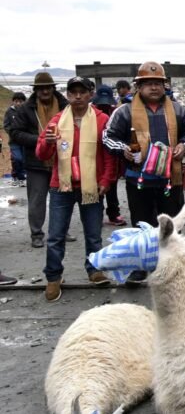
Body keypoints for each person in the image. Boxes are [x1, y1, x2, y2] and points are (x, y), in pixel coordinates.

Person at [102, 61, 185, 285]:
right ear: (138, 86)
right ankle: (140, 268)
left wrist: (183, 145)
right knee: (140, 224)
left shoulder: (178, 109)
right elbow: (107, 137)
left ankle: (172, 266)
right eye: (148, 83)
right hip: (138, 179)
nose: (154, 87)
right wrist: (123, 149)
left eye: (158, 83)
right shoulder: (124, 111)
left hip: (171, 178)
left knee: (171, 225)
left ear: (165, 86)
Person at [35, 77, 117, 302]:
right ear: (67, 95)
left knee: (93, 234)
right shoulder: (57, 120)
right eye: (73, 92)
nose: (78, 96)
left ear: (91, 94)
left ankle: (94, 270)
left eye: (82, 92)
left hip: (91, 186)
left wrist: (106, 180)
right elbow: (41, 154)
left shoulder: (102, 121)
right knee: (55, 235)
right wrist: (48, 142)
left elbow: (109, 155)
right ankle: (53, 277)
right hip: (61, 186)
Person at [8, 72, 68, 248]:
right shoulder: (25, 109)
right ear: (36, 90)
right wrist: (41, 140)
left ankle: (61, 231)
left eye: (48, 87)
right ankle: (36, 234)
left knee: (62, 200)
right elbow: (15, 133)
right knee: (36, 201)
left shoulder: (66, 106)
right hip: (36, 162)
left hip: (61, 160)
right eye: (41, 88)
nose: (45, 91)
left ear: (53, 88)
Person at [91, 85, 127, 226]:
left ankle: (113, 213)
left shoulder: (115, 112)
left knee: (111, 185)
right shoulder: (89, 113)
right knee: (94, 185)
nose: (104, 105)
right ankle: (96, 215)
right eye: (101, 103)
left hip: (112, 154)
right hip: (95, 154)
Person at [3, 91, 27, 186]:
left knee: (24, 160)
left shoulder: (27, 111)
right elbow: (6, 125)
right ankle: (17, 177)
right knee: (17, 159)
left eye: (21, 101)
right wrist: (13, 133)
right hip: (14, 141)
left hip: (25, 140)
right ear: (13, 101)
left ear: (24, 102)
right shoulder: (9, 111)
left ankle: (21, 177)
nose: (18, 103)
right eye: (16, 101)